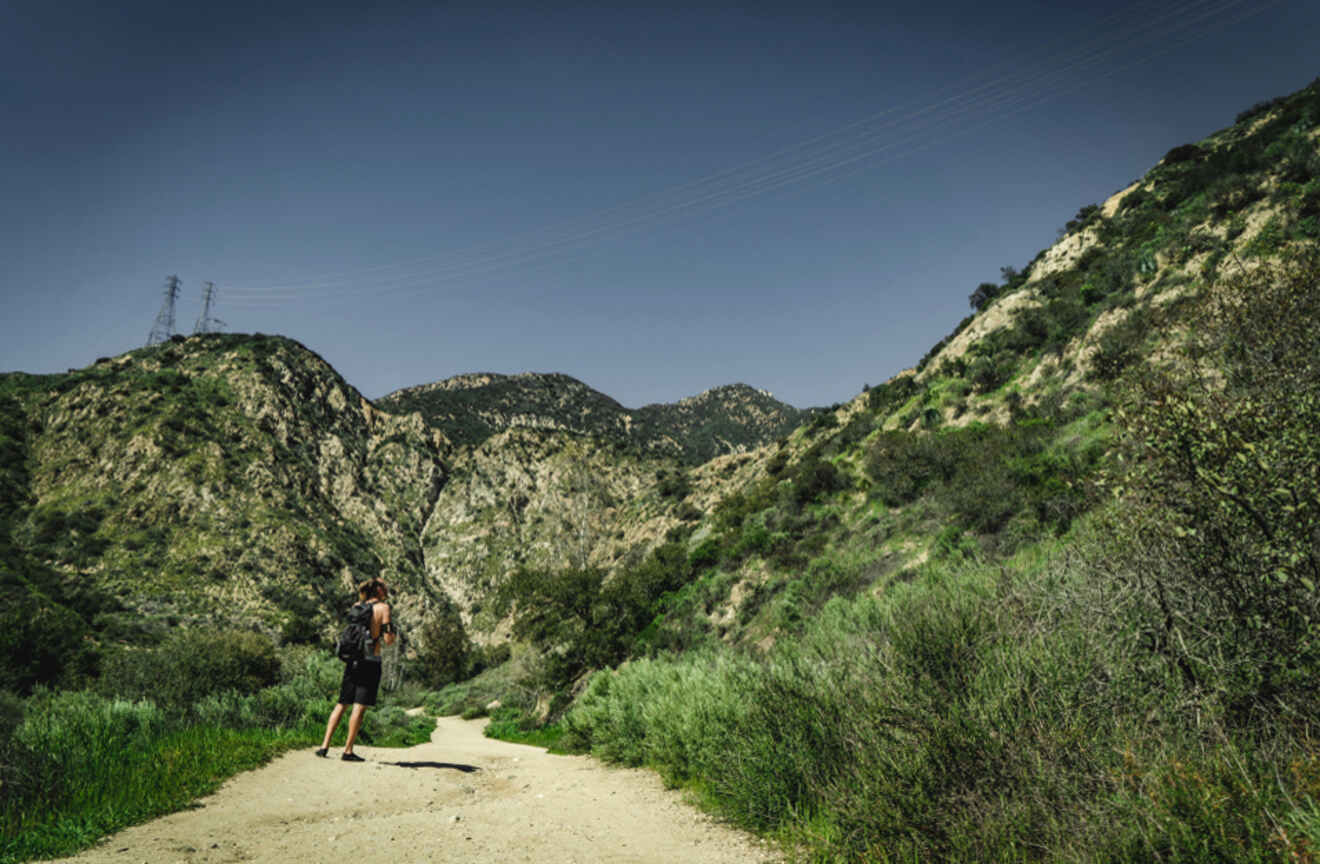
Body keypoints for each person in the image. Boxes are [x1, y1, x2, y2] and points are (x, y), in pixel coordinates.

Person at [316, 577, 395, 762]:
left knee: (342, 703)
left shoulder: (357, 606)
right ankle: (348, 750)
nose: (387, 588)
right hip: (370, 661)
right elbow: (388, 640)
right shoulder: (383, 608)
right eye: (385, 585)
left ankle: (324, 746)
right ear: (379, 590)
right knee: (359, 707)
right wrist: (391, 634)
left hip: (352, 660)